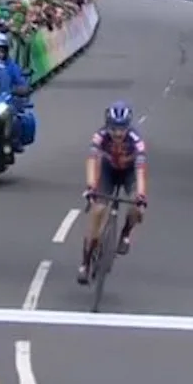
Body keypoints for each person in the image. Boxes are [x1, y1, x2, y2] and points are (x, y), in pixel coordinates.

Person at [79, 101, 148, 284]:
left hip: (129, 172)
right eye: (114, 128)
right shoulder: (100, 136)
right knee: (98, 210)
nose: (118, 133)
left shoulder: (136, 141)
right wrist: (91, 186)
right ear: (108, 126)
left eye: (122, 129)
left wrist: (141, 196)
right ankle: (85, 263)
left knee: (137, 206)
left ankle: (125, 233)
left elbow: (140, 170)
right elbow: (92, 160)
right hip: (109, 170)